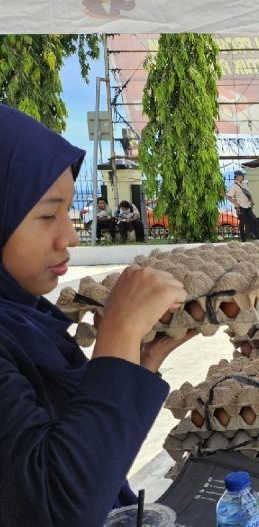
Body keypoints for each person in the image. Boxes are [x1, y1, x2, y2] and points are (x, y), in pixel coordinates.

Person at [0, 104, 195, 523]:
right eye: (48, 214)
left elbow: (88, 465)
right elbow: (56, 505)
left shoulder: (28, 321)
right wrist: (118, 337)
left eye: (68, 212)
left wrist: (131, 368)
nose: (69, 233)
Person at [226, 170, 258, 241]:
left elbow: (248, 193)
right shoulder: (234, 186)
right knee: (242, 222)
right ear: (237, 176)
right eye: (241, 176)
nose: (242, 177)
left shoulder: (244, 184)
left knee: (253, 219)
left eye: (242, 176)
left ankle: (256, 236)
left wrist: (252, 201)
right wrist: (236, 203)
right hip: (240, 207)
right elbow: (228, 197)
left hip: (248, 206)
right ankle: (243, 239)